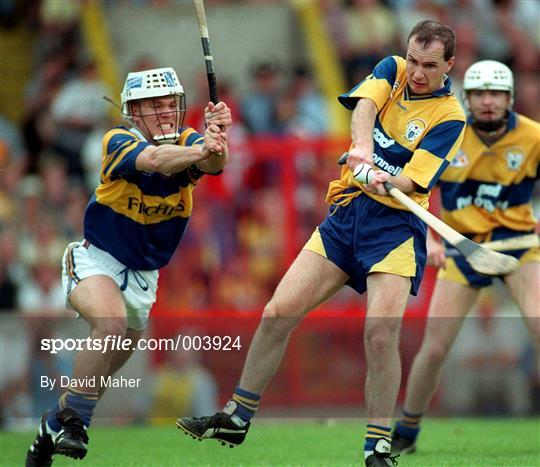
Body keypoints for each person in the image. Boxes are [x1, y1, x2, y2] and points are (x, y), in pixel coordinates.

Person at [177, 20, 465, 467]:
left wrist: (382, 179)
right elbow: (364, 109)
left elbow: (409, 182)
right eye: (413, 59)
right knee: (277, 313)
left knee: (380, 333)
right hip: (345, 217)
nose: (417, 71)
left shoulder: (449, 117)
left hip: (394, 230)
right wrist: (363, 154)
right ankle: (237, 415)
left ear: (449, 64)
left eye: (429, 65)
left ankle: (378, 447)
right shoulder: (391, 70)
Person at [25, 66, 231, 465]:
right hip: (97, 256)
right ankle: (77, 426)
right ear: (134, 112)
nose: (166, 111)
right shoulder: (117, 140)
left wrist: (217, 139)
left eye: (170, 103)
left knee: (100, 374)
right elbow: (155, 160)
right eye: (155, 105)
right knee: (111, 323)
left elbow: (214, 165)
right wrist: (202, 148)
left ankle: (54, 424)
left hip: (143, 275)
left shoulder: (190, 140)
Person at [391, 60, 540, 455]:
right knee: (436, 347)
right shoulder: (448, 133)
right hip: (463, 248)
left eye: (496, 94)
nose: (488, 102)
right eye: (479, 94)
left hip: (519, 246)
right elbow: (410, 192)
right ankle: (407, 429)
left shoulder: (533, 137)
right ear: (467, 99)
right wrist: (431, 241)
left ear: (509, 99)